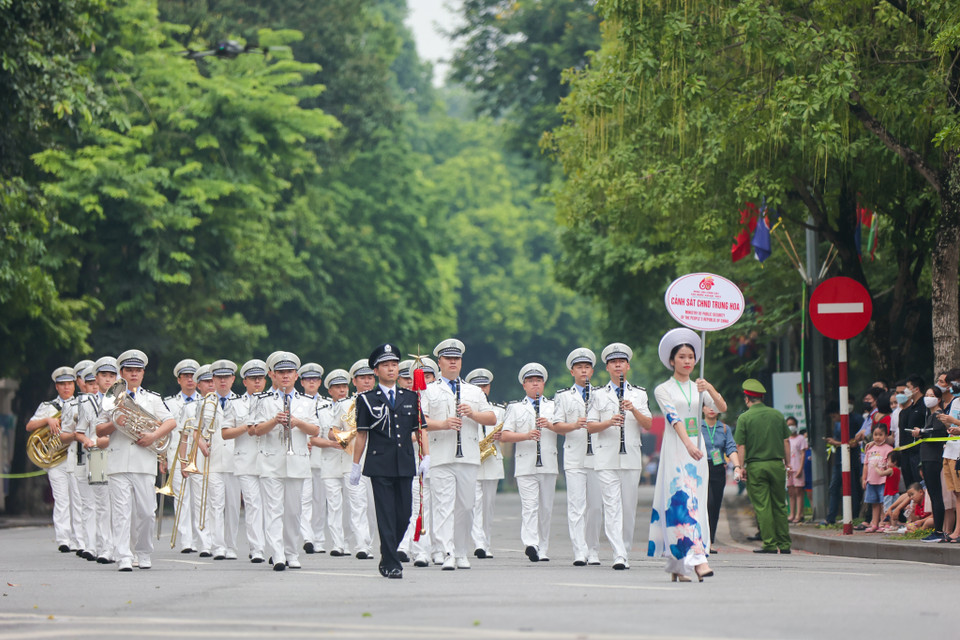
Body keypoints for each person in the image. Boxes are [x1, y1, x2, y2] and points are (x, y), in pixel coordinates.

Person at [648, 329, 726, 582]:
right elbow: (674, 418)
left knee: (695, 503)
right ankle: (699, 561)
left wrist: (709, 387)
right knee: (681, 502)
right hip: (677, 451)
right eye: (681, 357)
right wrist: (688, 445)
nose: (687, 361)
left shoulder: (698, 388)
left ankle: (678, 566)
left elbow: (721, 407)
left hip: (697, 454)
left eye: (691, 357)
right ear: (672, 361)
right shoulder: (663, 389)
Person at [349, 343, 426, 579]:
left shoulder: (411, 397)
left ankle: (387, 552)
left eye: (394, 365)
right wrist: (355, 464)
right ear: (376, 371)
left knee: (404, 515)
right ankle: (392, 563)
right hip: (379, 464)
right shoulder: (367, 399)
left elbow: (420, 429)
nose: (391, 369)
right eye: (385, 365)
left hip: (405, 463)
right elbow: (362, 434)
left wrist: (426, 456)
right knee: (385, 515)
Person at [96, 349, 176, 571]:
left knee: (147, 513)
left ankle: (143, 552)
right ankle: (123, 556)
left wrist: (153, 436)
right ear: (122, 373)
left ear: (143, 373)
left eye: (137, 370)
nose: (133, 374)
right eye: (129, 370)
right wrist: (115, 423)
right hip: (118, 463)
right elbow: (99, 429)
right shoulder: (111, 398)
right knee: (121, 513)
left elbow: (170, 422)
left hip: (144, 462)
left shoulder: (153, 398)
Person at [421, 338, 497, 570]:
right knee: (443, 506)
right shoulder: (428, 390)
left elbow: (491, 418)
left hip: (469, 456)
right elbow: (419, 420)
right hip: (441, 455)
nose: (453, 362)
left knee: (466, 506)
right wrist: (443, 424)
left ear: (461, 362)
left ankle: (462, 551)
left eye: (456, 358)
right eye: (448, 358)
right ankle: (447, 552)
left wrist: (472, 414)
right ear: (439, 362)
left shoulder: (474, 391)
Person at [251, 352, 320, 570]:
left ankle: (291, 552)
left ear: (296, 375)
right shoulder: (262, 400)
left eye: (289, 372)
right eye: (280, 372)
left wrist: (297, 422)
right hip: (271, 461)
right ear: (272, 375)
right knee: (273, 510)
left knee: (293, 511)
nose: (285, 376)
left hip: (297, 461)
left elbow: (316, 430)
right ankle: (278, 553)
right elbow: (256, 430)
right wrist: (274, 421)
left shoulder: (306, 402)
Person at [588, 342, 651, 571]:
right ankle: (618, 554)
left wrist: (633, 409)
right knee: (611, 506)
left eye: (621, 362)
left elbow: (648, 424)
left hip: (631, 457)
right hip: (606, 458)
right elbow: (590, 426)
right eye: (613, 362)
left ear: (628, 366)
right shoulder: (597, 394)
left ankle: (625, 548)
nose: (618, 366)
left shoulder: (639, 394)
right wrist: (609, 422)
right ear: (607, 367)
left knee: (628, 508)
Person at [500, 363, 558, 562]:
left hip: (548, 462)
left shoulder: (553, 406)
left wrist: (549, 425)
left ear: (544, 384)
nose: (535, 384)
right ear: (524, 385)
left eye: (538, 381)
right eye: (531, 381)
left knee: (546, 508)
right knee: (530, 506)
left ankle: (543, 547)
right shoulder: (516, 408)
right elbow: (505, 435)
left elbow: (564, 429)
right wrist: (526, 435)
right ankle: (531, 543)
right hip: (525, 464)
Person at [551, 348, 603, 566]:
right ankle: (579, 550)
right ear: (572, 372)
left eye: (587, 367)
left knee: (596, 507)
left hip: (598, 456)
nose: (584, 371)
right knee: (576, 506)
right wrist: (574, 425)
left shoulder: (601, 394)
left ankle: (593, 549)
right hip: (574, 455)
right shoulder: (563, 396)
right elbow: (556, 425)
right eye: (579, 368)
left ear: (592, 371)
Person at [735, 377, 791, 555]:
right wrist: (788, 464)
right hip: (777, 465)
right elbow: (786, 441)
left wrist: (740, 467)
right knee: (780, 505)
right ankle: (784, 544)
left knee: (763, 506)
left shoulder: (744, 418)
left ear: (747, 399)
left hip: (756, 467)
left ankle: (769, 544)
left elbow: (741, 446)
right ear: (762, 398)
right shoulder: (777, 415)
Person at [25, 366, 78, 553]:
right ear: (56, 386)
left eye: (69, 384)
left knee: (77, 499)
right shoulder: (48, 407)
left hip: (76, 457)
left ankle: (78, 539)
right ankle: (64, 539)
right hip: (56, 460)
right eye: (62, 384)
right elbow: (30, 426)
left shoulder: (81, 403)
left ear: (74, 385)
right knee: (61, 499)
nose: (66, 387)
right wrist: (47, 420)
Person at [222, 358, 268, 563]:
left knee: (271, 506)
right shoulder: (235, 404)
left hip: (269, 461)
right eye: (252, 378)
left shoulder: (273, 401)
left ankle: (273, 547)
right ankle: (257, 548)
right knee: (253, 505)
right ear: (245, 381)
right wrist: (245, 427)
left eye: (260, 378)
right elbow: (225, 433)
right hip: (246, 461)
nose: (257, 382)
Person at [315, 368, 362, 558]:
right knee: (334, 505)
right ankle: (337, 543)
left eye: (344, 386)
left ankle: (351, 542)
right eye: (337, 387)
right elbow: (315, 437)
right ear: (330, 390)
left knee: (352, 504)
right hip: (329, 460)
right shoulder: (321, 410)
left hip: (349, 460)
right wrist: (332, 443)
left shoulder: (354, 405)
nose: (342, 390)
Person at [465, 367, 504, 561]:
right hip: (472, 459)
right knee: (475, 504)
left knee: (488, 506)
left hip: (491, 460)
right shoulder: (465, 409)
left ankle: (486, 542)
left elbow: (508, 433)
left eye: (485, 385)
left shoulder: (499, 410)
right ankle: (479, 542)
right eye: (478, 386)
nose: (482, 389)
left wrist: (502, 435)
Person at [163, 358, 202, 553]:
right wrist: (162, 457)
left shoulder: (205, 401)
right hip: (176, 454)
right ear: (179, 380)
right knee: (181, 497)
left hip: (200, 454)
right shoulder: (169, 403)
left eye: (193, 376)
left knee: (199, 499)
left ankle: (202, 539)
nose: (189, 380)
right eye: (185, 376)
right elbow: (165, 432)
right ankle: (186, 540)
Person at [206, 359, 241, 560]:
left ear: (233, 379)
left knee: (233, 507)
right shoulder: (205, 403)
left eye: (226, 377)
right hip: (213, 459)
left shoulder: (241, 403)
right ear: (213, 379)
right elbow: (197, 431)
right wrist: (201, 444)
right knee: (215, 505)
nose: (222, 381)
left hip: (235, 460)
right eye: (219, 377)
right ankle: (218, 545)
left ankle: (231, 546)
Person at [298, 362, 328, 555]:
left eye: (315, 379)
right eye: (308, 379)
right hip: (301, 455)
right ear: (301, 382)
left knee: (320, 501)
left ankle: (319, 538)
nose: (311, 382)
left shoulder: (327, 403)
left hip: (321, 456)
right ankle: (307, 536)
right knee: (304, 499)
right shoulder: (296, 402)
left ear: (319, 382)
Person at [701, 404, 740, 550]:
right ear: (702, 408)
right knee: (707, 503)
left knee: (715, 506)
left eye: (715, 406)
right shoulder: (696, 426)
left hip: (718, 469)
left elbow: (731, 448)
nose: (712, 409)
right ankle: (700, 539)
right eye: (708, 406)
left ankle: (709, 541)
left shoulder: (724, 428)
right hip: (700, 467)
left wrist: (737, 466)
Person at [912, 385, 947, 542]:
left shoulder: (939, 415)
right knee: (932, 494)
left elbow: (937, 433)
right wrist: (921, 433)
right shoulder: (930, 416)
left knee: (936, 494)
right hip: (927, 458)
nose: (928, 398)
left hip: (933, 459)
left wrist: (922, 432)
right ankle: (937, 530)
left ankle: (939, 531)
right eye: (926, 395)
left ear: (939, 399)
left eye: (931, 395)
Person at [936, 368, 960, 542]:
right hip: (950, 450)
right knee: (956, 494)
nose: (952, 387)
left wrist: (954, 422)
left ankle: (957, 531)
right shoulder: (956, 401)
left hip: (958, 454)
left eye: (954, 383)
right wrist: (949, 424)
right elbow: (954, 426)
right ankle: (956, 531)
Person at [861, 424, 894, 532]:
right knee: (874, 503)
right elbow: (866, 465)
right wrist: (864, 478)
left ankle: (884, 522)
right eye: (875, 434)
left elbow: (891, 466)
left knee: (884, 503)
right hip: (871, 480)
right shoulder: (869, 449)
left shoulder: (889, 449)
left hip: (883, 481)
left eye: (880, 434)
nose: (878, 437)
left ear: (886, 435)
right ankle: (874, 523)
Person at [786, 417, 808, 523]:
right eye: (788, 425)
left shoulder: (801, 438)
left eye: (792, 424)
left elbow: (803, 454)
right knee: (791, 492)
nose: (791, 427)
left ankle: (799, 514)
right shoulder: (786, 440)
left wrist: (800, 469)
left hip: (797, 468)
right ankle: (792, 514)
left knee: (799, 491)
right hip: (788, 470)